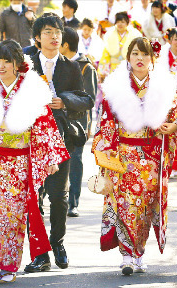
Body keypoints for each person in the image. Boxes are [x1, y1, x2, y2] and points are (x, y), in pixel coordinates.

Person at [0, 39, 69, 284]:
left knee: (14, 216)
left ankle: (9, 265)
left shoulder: (32, 87)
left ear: (17, 64)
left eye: (6, 62)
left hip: (19, 164)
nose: (1, 67)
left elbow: (44, 124)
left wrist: (49, 157)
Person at [93, 37, 177, 275]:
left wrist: (172, 126)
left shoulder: (164, 85)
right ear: (128, 58)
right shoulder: (116, 86)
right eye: (135, 54)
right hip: (123, 156)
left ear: (152, 59)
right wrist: (107, 145)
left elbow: (175, 114)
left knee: (144, 208)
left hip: (151, 157)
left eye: (145, 54)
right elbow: (106, 120)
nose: (140, 58)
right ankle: (128, 255)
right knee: (125, 205)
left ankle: (138, 250)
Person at [25, 15, 94, 273]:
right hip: (31, 141)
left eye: (58, 32)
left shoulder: (72, 67)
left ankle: (58, 243)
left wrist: (64, 100)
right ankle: (40, 252)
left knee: (59, 198)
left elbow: (86, 99)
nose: (54, 36)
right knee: (34, 197)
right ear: (37, 37)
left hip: (62, 139)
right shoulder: (26, 64)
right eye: (48, 32)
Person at [60, 27, 99, 217]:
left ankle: (73, 202)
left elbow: (89, 98)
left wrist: (66, 100)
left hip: (77, 122)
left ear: (65, 45)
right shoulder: (56, 64)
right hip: (57, 120)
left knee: (75, 161)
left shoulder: (85, 67)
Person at [98, 12, 143, 80]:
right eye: (118, 21)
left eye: (122, 22)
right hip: (114, 68)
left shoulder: (133, 35)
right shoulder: (110, 35)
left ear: (127, 23)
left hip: (129, 68)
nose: (120, 24)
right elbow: (106, 54)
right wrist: (102, 72)